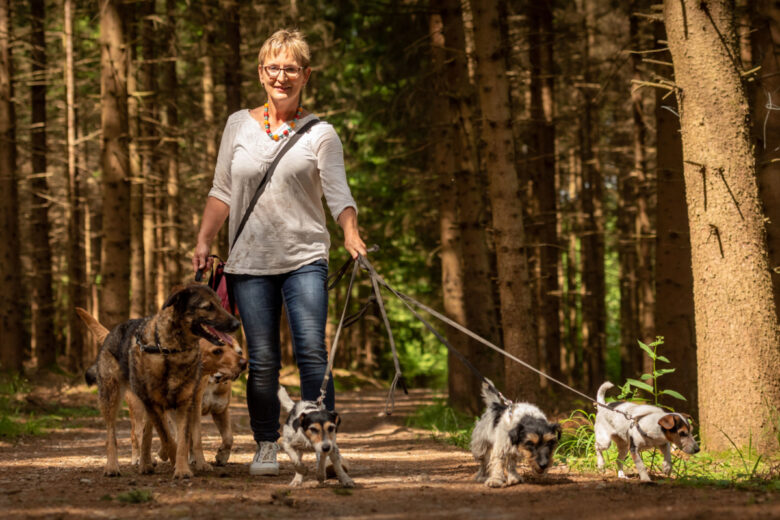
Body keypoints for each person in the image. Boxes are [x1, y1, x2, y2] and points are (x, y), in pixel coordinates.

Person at [192, 28, 367, 476]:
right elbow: (222, 191)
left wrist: (350, 233)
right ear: (261, 72)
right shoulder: (237, 124)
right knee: (264, 359)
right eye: (274, 68)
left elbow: (338, 193)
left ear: (305, 75)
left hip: (305, 256)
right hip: (248, 261)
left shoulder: (321, 134)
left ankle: (325, 443)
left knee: (311, 351)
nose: (282, 76)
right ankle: (267, 443)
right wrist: (205, 241)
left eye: (291, 68)